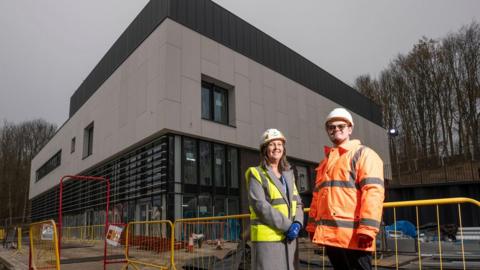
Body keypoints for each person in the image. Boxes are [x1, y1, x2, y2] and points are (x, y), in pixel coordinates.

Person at [306, 108, 385, 270]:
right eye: (331, 127)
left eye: (340, 126)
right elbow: (317, 198)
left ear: (350, 129)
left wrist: (368, 230)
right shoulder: (325, 163)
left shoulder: (364, 154)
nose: (336, 130)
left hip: (355, 237)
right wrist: (312, 227)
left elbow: (373, 193)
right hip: (332, 237)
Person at [245, 128, 304, 270]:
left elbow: (298, 202)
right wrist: (288, 226)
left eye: (279, 144)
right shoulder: (256, 173)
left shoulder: (289, 175)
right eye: (272, 144)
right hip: (268, 241)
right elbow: (260, 206)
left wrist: (297, 223)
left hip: (290, 240)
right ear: (265, 149)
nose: (276, 148)